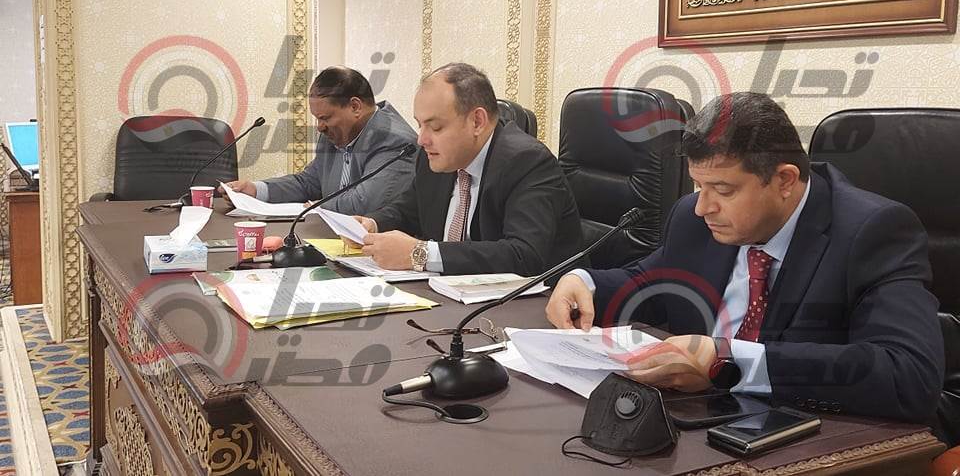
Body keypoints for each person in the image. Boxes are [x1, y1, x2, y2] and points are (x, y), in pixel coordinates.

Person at [545, 92, 944, 423]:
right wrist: (585, 284)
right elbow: (651, 282)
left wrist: (729, 362)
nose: (703, 207)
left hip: (805, 434)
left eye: (723, 190)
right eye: (698, 185)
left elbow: (909, 374)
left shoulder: (872, 232)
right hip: (694, 422)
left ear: (784, 180)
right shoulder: (694, 219)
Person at [352, 62, 583, 276]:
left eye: (435, 127)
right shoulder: (435, 156)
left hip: (536, 300)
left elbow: (523, 255)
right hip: (446, 293)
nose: (422, 139)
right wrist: (372, 224)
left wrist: (419, 254)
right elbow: (410, 209)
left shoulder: (527, 162)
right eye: (420, 125)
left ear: (477, 122)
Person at [224, 66, 417, 215]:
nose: (320, 127)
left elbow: (364, 203)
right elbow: (309, 182)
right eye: (317, 119)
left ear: (355, 107)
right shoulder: (335, 134)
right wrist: (256, 189)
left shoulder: (394, 141)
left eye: (325, 118)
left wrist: (315, 207)